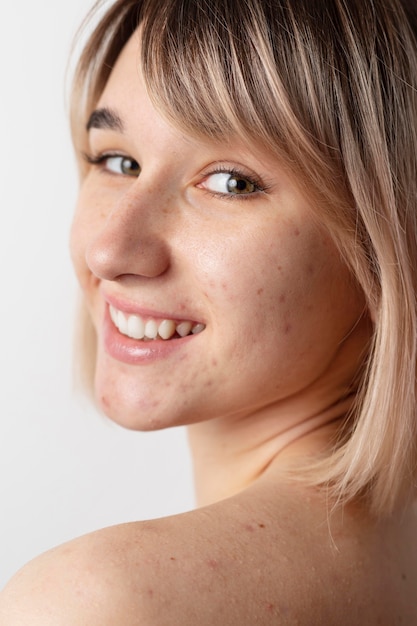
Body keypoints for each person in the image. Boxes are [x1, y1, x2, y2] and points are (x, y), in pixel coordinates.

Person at [1, 0, 417, 623]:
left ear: (389, 243)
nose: (109, 250)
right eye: (118, 161)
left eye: (231, 182)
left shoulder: (98, 603)